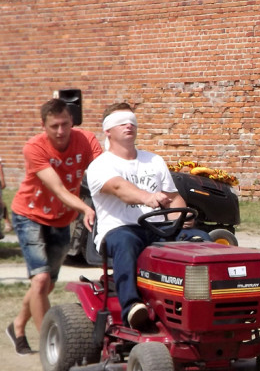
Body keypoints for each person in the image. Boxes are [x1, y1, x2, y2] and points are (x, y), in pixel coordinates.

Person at [87, 103, 206, 328]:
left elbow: (173, 198)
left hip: (158, 229)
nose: (128, 124)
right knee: (126, 241)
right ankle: (132, 307)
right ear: (108, 130)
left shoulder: (154, 160)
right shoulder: (100, 166)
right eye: (120, 121)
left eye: (131, 120)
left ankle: (202, 302)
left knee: (201, 241)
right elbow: (120, 189)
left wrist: (183, 219)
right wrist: (147, 197)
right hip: (119, 229)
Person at [7, 99, 101, 355]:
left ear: (72, 122)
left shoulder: (86, 140)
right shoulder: (34, 147)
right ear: (43, 125)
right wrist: (85, 208)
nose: (61, 131)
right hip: (30, 215)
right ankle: (50, 345)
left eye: (66, 124)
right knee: (40, 279)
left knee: (45, 285)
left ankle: (17, 325)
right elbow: (58, 188)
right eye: (55, 126)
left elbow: (104, 173)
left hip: (61, 218)